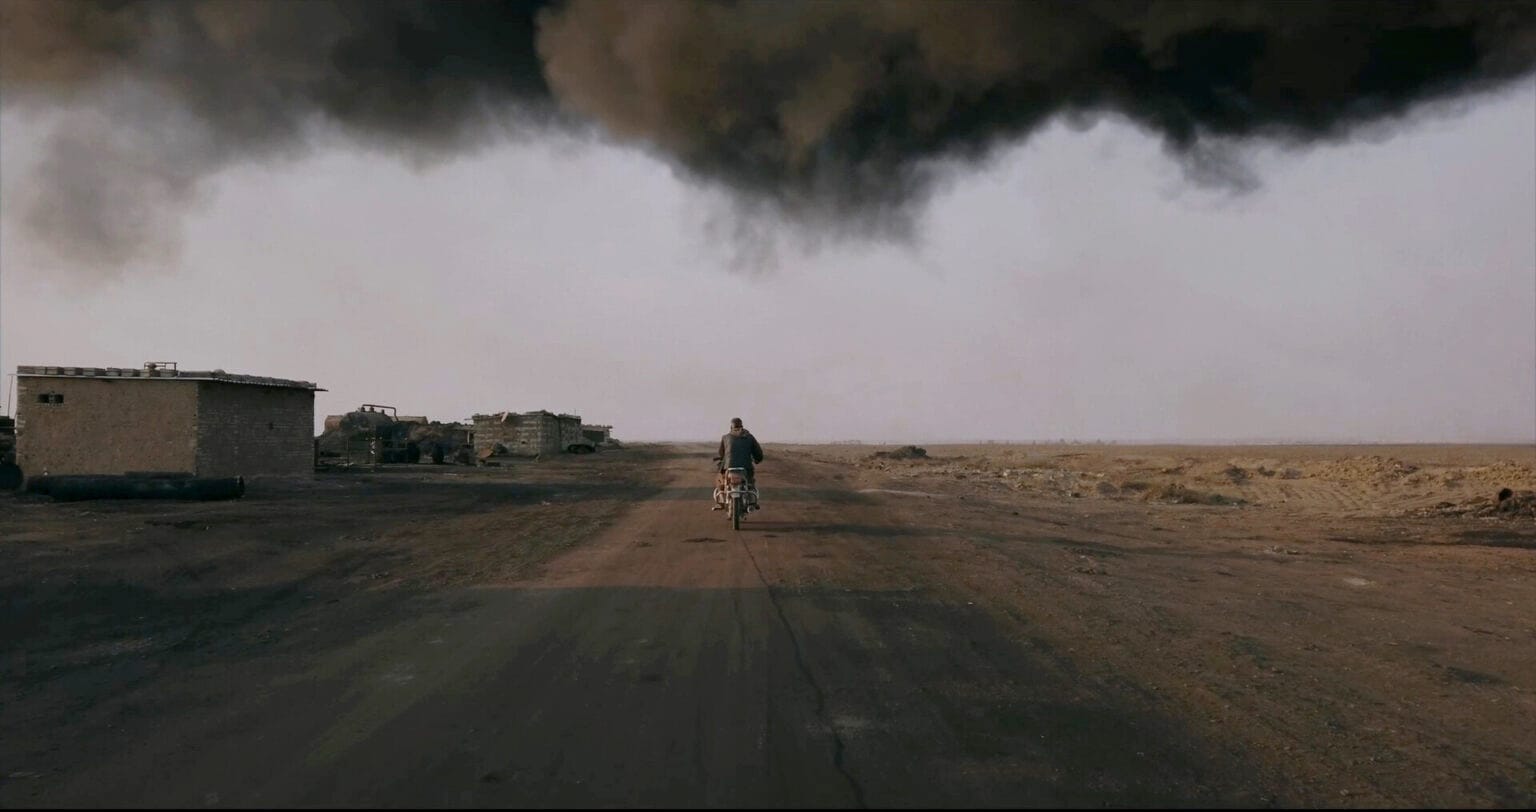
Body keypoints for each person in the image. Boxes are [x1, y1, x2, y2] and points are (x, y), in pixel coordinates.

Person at [713, 417, 764, 512]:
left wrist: (721, 459)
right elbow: (758, 453)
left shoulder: (725, 437)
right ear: (742, 426)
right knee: (750, 483)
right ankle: (752, 502)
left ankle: (720, 501)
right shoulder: (749, 437)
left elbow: (721, 454)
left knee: (721, 481)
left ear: (731, 427)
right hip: (746, 467)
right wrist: (757, 459)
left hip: (729, 467)